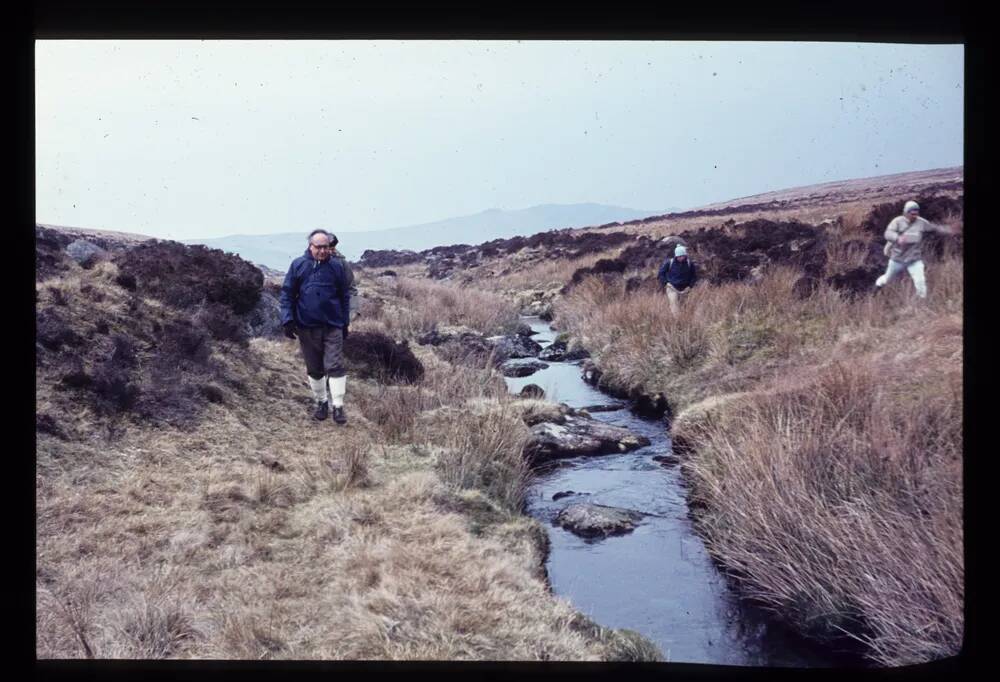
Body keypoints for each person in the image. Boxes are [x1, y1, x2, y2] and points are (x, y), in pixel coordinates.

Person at [280, 229, 352, 424]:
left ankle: (338, 407)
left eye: (326, 247)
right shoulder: (298, 265)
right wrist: (287, 320)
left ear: (330, 247)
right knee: (314, 368)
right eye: (318, 247)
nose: (322, 251)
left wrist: (345, 323)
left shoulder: (337, 267)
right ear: (310, 246)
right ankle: (321, 403)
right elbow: (287, 294)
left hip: (333, 325)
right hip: (306, 326)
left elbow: (345, 296)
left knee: (334, 365)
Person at [875, 200, 959, 299]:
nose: (914, 215)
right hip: (897, 259)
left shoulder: (921, 222)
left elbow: (934, 227)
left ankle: (921, 303)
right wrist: (898, 238)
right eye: (912, 213)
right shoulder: (897, 221)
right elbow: (888, 234)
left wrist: (949, 230)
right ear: (906, 212)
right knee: (887, 279)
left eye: (916, 213)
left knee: (920, 281)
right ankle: (877, 287)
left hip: (914, 259)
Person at [657, 244, 698, 315]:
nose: (681, 258)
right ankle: (676, 321)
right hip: (672, 288)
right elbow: (661, 274)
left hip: (685, 289)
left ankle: (684, 320)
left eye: (683, 256)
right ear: (676, 256)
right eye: (679, 256)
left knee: (684, 306)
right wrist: (666, 283)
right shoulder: (669, 263)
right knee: (674, 305)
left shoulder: (689, 264)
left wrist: (690, 286)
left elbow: (694, 276)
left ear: (685, 255)